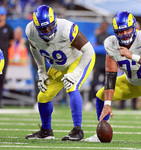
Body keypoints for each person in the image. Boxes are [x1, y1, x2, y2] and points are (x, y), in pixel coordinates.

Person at [84, 11, 141, 144]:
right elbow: (110, 74)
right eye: (120, 32)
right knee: (101, 95)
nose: (124, 34)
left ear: (133, 28)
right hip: (133, 81)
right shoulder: (111, 43)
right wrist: (108, 104)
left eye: (126, 30)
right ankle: (100, 134)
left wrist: (132, 56)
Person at [25, 5, 95, 141]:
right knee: (43, 97)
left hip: (78, 60)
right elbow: (33, 47)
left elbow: (89, 50)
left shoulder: (66, 29)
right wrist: (41, 71)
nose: (47, 30)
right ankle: (46, 131)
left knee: (72, 86)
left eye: (50, 27)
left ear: (55, 21)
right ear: (36, 27)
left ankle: (77, 131)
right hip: (58, 65)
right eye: (43, 28)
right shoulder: (31, 31)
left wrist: (77, 71)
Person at [85, 20, 109, 111]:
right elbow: (92, 48)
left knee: (106, 84)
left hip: (106, 63)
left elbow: (109, 49)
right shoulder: (96, 36)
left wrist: (100, 47)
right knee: (94, 83)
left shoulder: (108, 37)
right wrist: (102, 48)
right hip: (97, 63)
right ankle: (89, 102)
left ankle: (104, 103)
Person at [0, 6, 14, 108]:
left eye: (2, 15)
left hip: (3, 57)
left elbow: (11, 42)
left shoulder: (8, 28)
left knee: (1, 79)